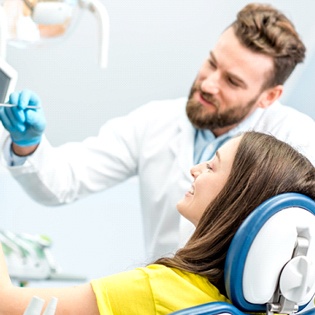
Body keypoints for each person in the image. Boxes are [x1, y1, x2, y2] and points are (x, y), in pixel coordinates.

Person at [1, 3, 315, 260]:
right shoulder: (155, 122)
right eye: (211, 63)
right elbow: (64, 181)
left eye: (232, 82)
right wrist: (27, 145)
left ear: (269, 96)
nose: (208, 84)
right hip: (162, 299)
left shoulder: (298, 142)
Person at [0, 131, 313, 315]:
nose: (195, 169)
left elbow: (6, 305)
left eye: (212, 166)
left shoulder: (160, 289)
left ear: (236, 199)